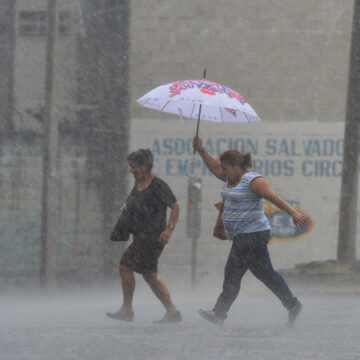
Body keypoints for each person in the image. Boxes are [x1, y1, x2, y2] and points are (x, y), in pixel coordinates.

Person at [193, 136, 310, 326]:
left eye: (226, 168)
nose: (222, 171)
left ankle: (219, 313)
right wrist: (201, 150)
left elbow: (274, 197)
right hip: (242, 235)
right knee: (266, 274)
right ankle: (292, 304)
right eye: (222, 168)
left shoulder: (253, 181)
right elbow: (214, 168)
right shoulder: (230, 177)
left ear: (236, 166)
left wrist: (293, 213)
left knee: (232, 272)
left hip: (253, 234)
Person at [106, 149, 181, 324]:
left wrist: (169, 230)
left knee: (125, 266)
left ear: (145, 166)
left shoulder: (158, 186)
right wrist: (125, 207)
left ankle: (127, 309)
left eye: (134, 167)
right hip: (140, 236)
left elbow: (175, 206)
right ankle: (172, 311)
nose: (131, 170)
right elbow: (132, 202)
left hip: (153, 237)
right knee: (149, 274)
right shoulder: (137, 184)